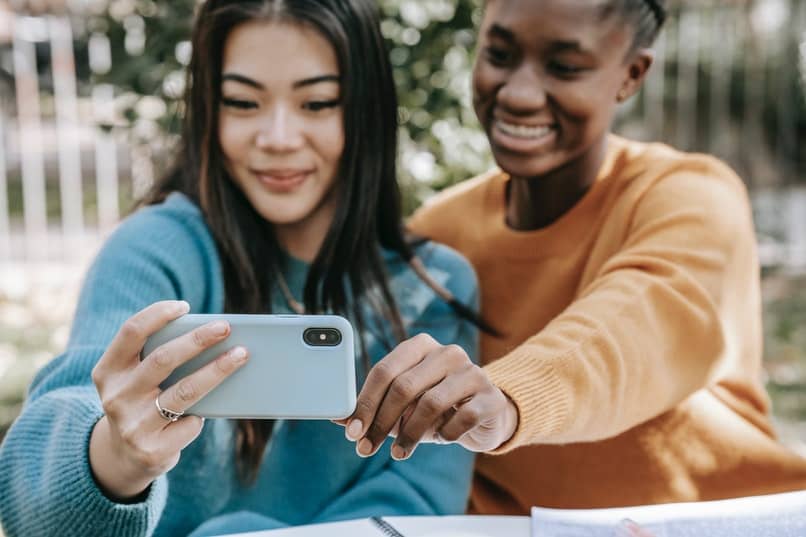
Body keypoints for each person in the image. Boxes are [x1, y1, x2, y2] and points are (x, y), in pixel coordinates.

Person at [0, 1, 481, 535]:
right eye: (242, 102)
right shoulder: (155, 250)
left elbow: (418, 499)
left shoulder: (438, 285)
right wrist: (114, 458)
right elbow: (34, 500)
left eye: (317, 102)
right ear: (210, 108)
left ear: (367, 110)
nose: (277, 137)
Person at [340, 0, 806, 513]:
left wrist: (509, 397)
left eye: (564, 68)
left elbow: (636, 325)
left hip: (717, 521)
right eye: (498, 54)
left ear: (631, 75)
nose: (517, 93)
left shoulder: (693, 195)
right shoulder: (438, 231)